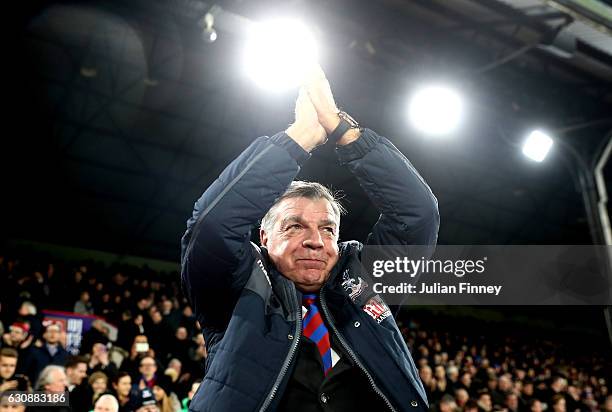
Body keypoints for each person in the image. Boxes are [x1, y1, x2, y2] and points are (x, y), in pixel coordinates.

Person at [181, 65, 439, 411]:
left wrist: (342, 129)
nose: (315, 241)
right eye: (294, 226)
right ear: (264, 236)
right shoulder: (236, 286)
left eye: (327, 229)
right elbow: (213, 226)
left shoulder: (364, 282)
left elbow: (417, 213)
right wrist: (299, 137)